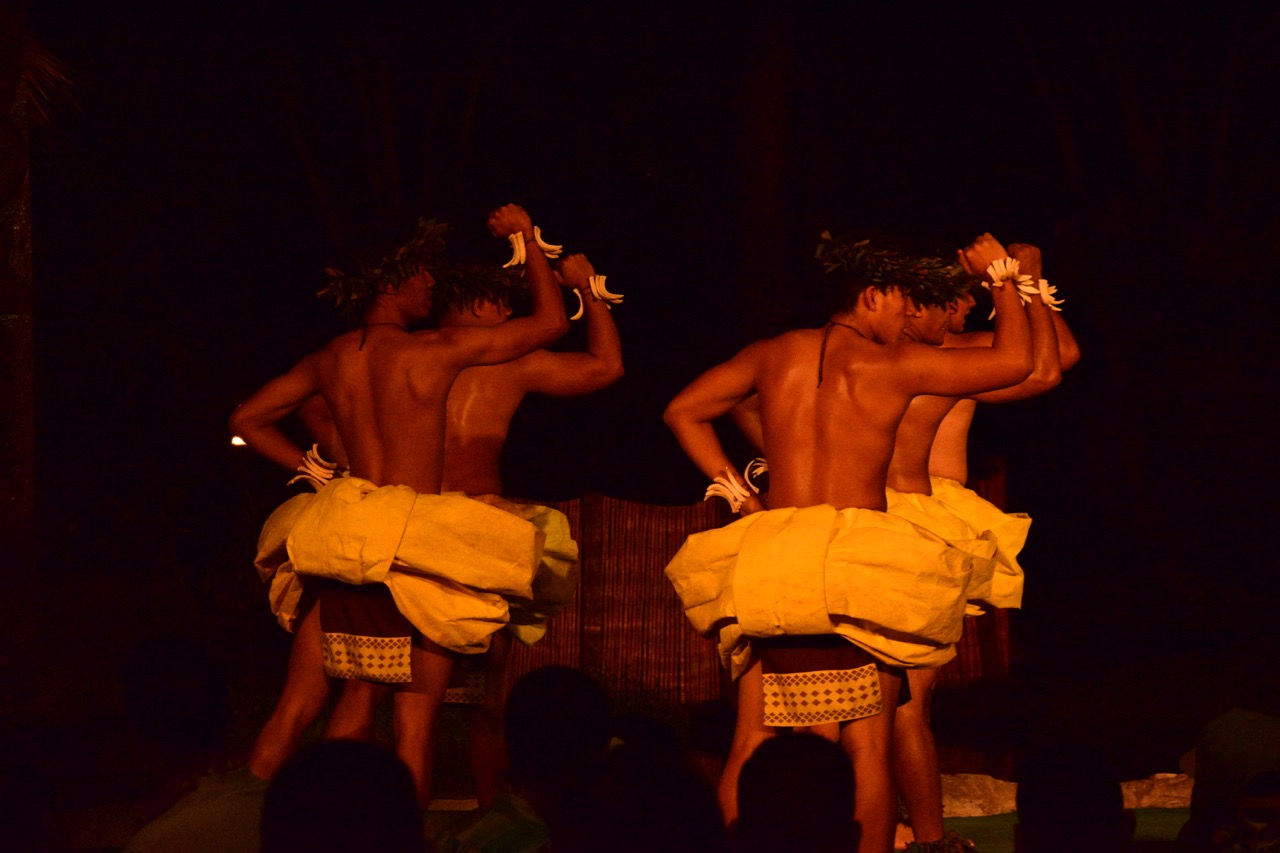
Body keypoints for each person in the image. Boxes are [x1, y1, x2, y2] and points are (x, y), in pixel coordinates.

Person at [662, 233, 1033, 853]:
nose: (907, 316)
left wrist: (743, 497)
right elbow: (1019, 362)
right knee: (867, 743)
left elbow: (682, 411)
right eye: (900, 304)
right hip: (856, 563)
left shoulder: (769, 353)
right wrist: (1001, 278)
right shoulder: (891, 365)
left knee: (750, 740)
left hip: (770, 554)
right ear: (872, 295)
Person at [230, 203, 570, 805]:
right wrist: (527, 238)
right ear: (391, 283)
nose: (432, 285)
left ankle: (254, 827)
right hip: (414, 543)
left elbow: (248, 419)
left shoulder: (331, 357)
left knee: (311, 707)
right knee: (414, 726)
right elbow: (548, 324)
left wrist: (312, 468)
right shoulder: (433, 352)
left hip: (346, 535)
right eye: (422, 276)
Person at [883, 237, 1075, 851]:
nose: (964, 314)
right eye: (952, 304)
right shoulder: (931, 360)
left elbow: (1058, 357)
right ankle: (924, 837)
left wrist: (1022, 282)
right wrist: (1015, 280)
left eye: (968, 303)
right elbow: (1048, 364)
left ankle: (898, 826)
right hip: (910, 513)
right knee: (904, 695)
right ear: (912, 305)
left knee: (901, 693)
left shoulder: (921, 355)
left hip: (914, 513)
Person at [434, 252, 623, 806]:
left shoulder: (509, 362)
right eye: (498, 299)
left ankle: (493, 815)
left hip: (477, 524)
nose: (505, 309)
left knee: (489, 692)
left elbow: (604, 368)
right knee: (413, 693)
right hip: (415, 522)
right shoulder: (413, 355)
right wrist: (571, 279)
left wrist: (590, 292)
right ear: (469, 301)